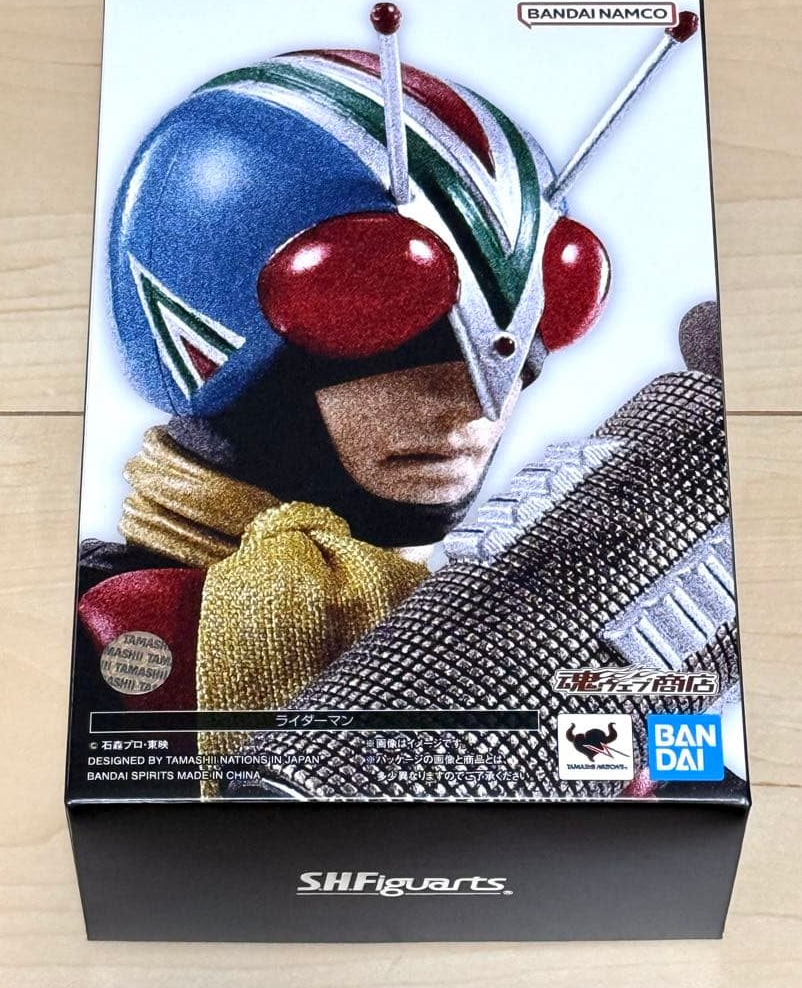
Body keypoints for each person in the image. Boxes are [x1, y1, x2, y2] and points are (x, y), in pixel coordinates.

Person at [75, 38, 611, 735]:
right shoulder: (80, 637)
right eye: (406, 372)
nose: (474, 413)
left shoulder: (519, 631)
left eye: (515, 373)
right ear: (244, 375)